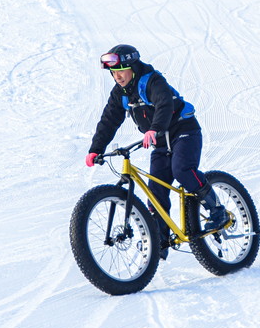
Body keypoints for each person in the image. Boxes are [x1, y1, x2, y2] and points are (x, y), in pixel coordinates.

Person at [86, 44, 228, 258]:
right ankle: (160, 239)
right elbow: (108, 121)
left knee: (182, 170)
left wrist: (155, 128)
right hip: (161, 142)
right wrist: (95, 149)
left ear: (133, 67)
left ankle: (218, 211)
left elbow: (164, 105)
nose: (118, 77)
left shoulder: (152, 81)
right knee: (155, 191)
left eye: (121, 71)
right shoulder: (120, 94)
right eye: (114, 73)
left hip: (183, 131)